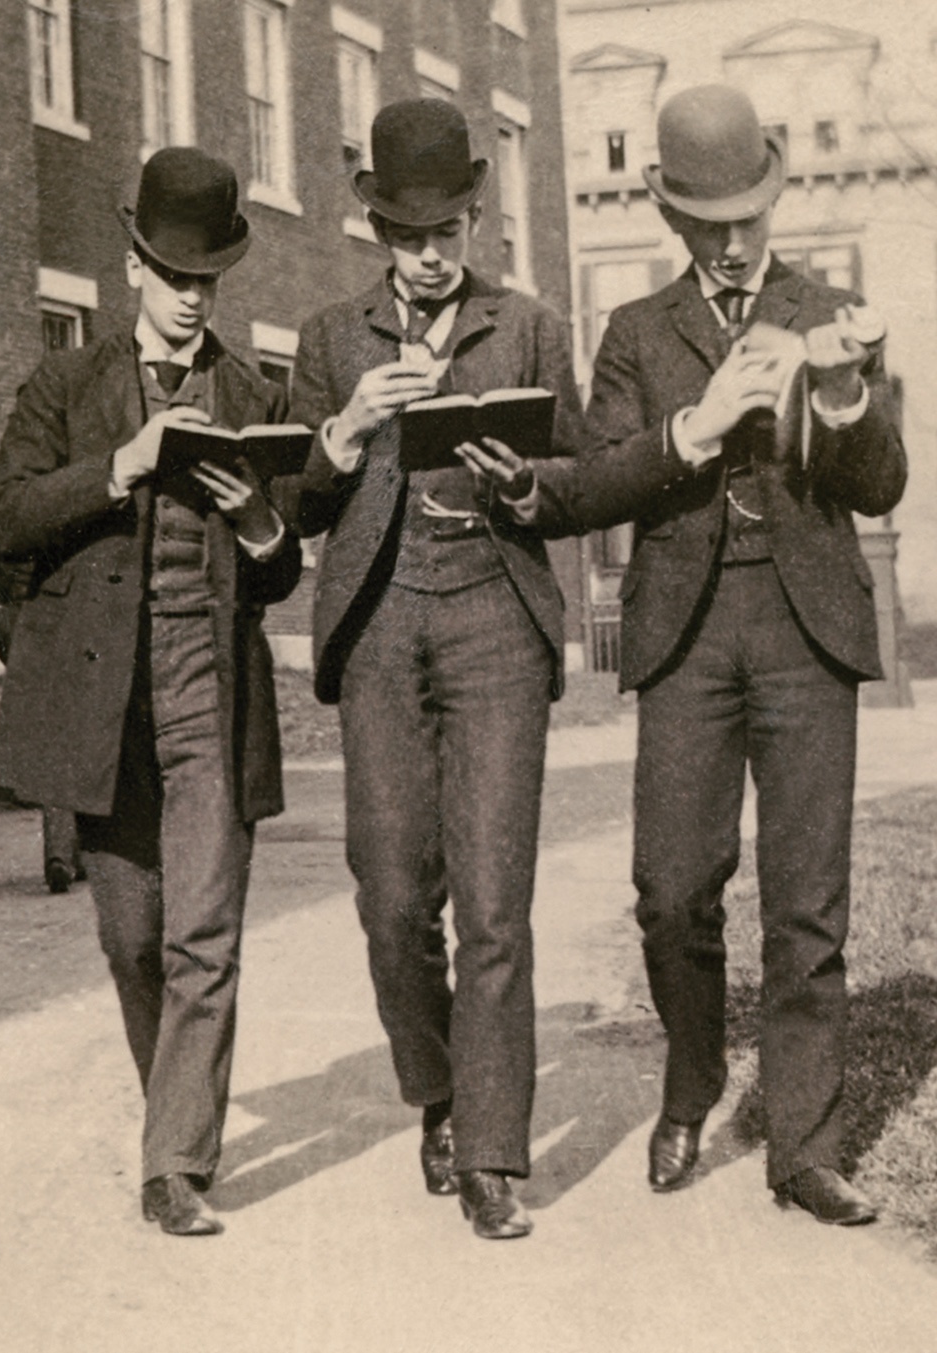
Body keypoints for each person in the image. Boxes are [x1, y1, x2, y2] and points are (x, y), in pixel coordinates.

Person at [571, 84, 907, 1225]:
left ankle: (803, 1150)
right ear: (671, 217)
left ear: (771, 201)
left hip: (807, 626)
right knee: (671, 894)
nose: (728, 242)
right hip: (687, 631)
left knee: (807, 905)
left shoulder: (827, 309)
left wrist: (846, 391)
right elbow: (600, 482)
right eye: (705, 222)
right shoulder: (631, 333)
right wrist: (700, 425)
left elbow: (884, 484)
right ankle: (694, 1076)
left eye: (746, 218)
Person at [0, 147, 301, 1238]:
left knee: (204, 932)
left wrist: (260, 524)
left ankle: (175, 1166)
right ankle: (177, 1110)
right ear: (133, 270)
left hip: (209, 683)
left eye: (206, 281)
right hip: (102, 694)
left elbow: (280, 561)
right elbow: (6, 519)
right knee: (133, 940)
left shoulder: (254, 391)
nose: (190, 298)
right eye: (172, 277)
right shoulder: (67, 387)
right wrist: (122, 464)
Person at [281, 98, 586, 1241]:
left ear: (471, 221)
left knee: (494, 902)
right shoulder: (326, 340)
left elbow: (585, 477)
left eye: (447, 233)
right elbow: (293, 500)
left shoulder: (529, 326)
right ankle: (439, 1094)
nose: (427, 257)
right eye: (407, 238)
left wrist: (527, 485)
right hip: (377, 626)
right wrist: (345, 428)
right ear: (376, 232)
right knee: (393, 892)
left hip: (497, 622)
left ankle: (493, 1155)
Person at [0, 539, 85, 893]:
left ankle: (74, 853)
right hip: (31, 642)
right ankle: (62, 857)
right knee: (58, 749)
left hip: (79, 634)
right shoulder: (5, 506)